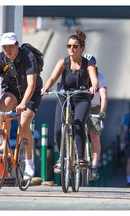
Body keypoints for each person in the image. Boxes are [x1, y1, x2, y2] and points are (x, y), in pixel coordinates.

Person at [0, 32, 43, 180]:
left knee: (23, 122)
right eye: (4, 47)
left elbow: (31, 84)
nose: (7, 50)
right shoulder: (0, 59)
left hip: (32, 92)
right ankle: (3, 140)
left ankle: (29, 163)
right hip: (13, 90)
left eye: (10, 46)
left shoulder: (27, 57)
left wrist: (23, 104)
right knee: (3, 106)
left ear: (17, 45)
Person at [41, 28, 98, 174]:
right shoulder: (63, 62)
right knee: (58, 130)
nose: (71, 49)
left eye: (75, 46)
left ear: (81, 48)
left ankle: (80, 157)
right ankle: (61, 158)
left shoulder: (88, 65)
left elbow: (94, 80)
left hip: (81, 98)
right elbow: (52, 78)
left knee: (78, 123)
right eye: (69, 46)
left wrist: (93, 88)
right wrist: (45, 88)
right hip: (64, 96)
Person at [83, 54, 108, 181]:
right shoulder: (80, 75)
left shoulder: (100, 77)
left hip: (94, 107)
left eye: (91, 64)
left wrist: (102, 111)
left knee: (94, 135)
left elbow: (103, 96)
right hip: (81, 105)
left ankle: (94, 166)